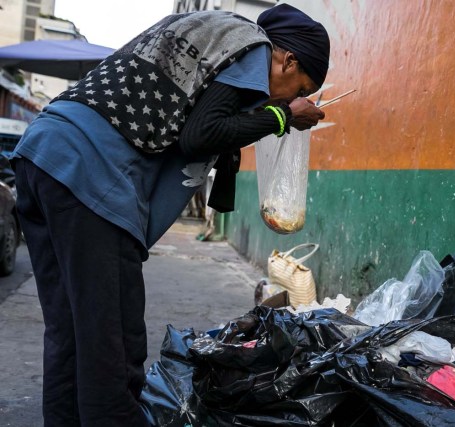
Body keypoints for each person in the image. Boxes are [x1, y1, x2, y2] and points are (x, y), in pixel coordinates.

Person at [10, 3, 330, 426]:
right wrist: (283, 115)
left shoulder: (213, 36)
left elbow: (197, 122)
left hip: (42, 154)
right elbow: (201, 136)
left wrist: (267, 114)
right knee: (114, 347)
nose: (289, 96)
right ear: (286, 59)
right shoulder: (252, 48)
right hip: (89, 173)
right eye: (298, 86)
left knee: (70, 335)